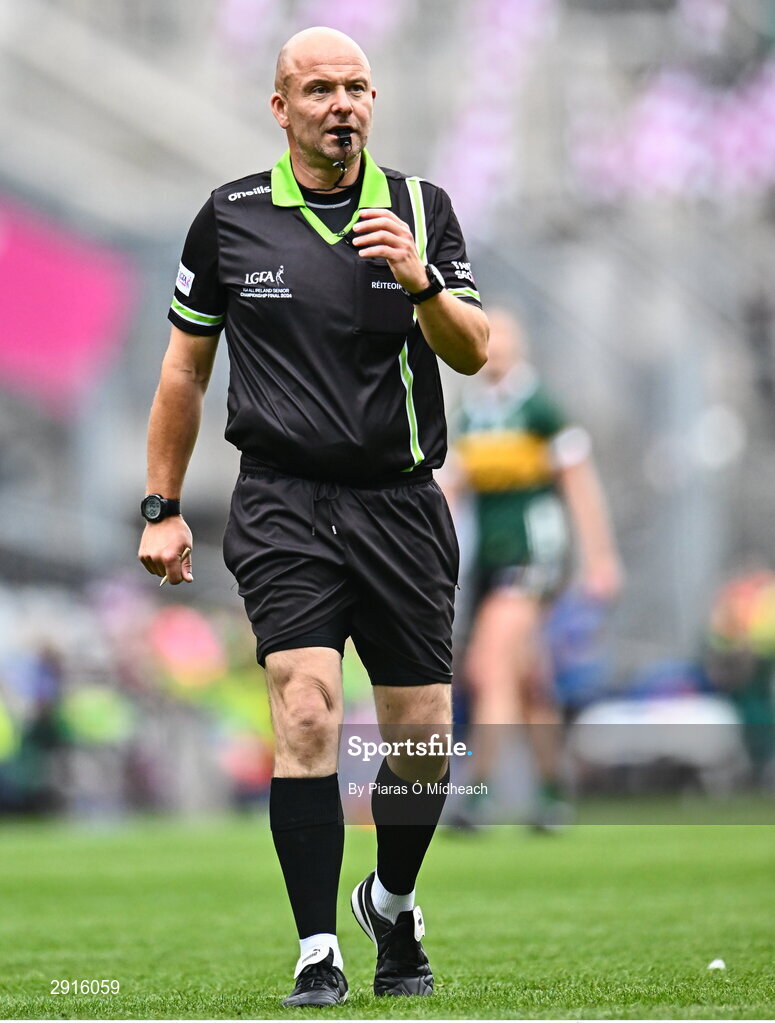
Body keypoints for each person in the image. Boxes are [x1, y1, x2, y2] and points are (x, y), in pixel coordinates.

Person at [138, 27, 488, 1007]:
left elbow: (471, 350)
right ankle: (316, 950)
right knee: (305, 710)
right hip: (283, 500)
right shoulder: (229, 219)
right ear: (280, 107)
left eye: (357, 88)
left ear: (372, 102)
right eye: (319, 88)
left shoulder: (422, 209)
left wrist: (420, 278)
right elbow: (183, 370)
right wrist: (162, 505)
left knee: (420, 738)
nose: (342, 104)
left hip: (400, 502)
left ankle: (392, 899)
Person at [450, 308, 621, 830]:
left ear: (519, 346)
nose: (494, 348)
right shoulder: (473, 413)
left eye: (503, 337)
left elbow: (579, 486)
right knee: (526, 680)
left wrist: (601, 557)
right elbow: (448, 491)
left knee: (487, 664)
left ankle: (479, 796)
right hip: (490, 561)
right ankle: (552, 793)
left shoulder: (539, 408)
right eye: (488, 337)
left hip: (533, 554)